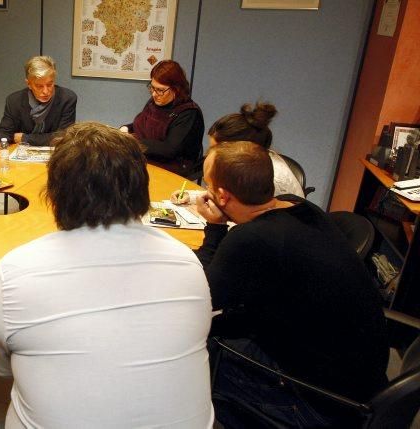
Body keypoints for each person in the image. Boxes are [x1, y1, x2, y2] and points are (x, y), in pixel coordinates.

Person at [0, 122, 214, 428]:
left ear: (54, 193)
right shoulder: (187, 262)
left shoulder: (15, 270)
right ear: (141, 186)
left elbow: (2, 367)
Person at [194, 142, 388, 427]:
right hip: (361, 385)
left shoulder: (252, 239)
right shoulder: (302, 209)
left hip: (319, 403)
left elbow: (198, 296)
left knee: (195, 353)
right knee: (216, 330)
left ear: (221, 196)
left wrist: (215, 228)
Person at [171, 102, 304, 204]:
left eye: (216, 150)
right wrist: (194, 197)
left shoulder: (263, 175)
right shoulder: (248, 165)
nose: (211, 155)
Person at [120, 60, 204, 176]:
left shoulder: (188, 113)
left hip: (172, 166)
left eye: (160, 90)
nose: (154, 94)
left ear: (176, 88)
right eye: (152, 88)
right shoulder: (154, 102)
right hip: (147, 158)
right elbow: (143, 123)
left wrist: (132, 141)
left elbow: (169, 149)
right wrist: (126, 128)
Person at [0, 56, 77, 159]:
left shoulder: (67, 98)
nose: (46, 91)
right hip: (21, 160)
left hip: (56, 158)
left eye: (50, 84)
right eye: (39, 86)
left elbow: (63, 137)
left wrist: (24, 138)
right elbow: (5, 130)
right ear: (29, 84)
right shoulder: (14, 100)